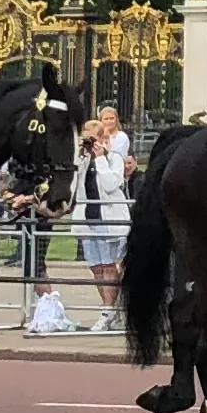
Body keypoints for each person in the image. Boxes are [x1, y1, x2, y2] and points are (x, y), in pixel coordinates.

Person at [72, 105, 132, 327]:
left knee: (109, 266)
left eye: (91, 139)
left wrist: (99, 159)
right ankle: (109, 309)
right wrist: (81, 155)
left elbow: (111, 185)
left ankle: (107, 311)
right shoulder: (82, 161)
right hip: (88, 220)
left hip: (110, 219)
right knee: (96, 267)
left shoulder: (114, 158)